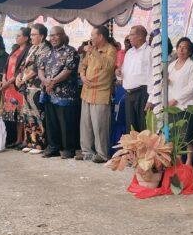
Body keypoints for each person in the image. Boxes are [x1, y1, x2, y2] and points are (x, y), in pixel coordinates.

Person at [39, 26, 80, 159]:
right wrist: (45, 81)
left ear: (63, 35)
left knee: (66, 122)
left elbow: (68, 70)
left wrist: (53, 82)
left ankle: (68, 149)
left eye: (56, 35)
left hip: (65, 94)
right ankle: (53, 147)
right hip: (49, 93)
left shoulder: (70, 51)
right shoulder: (46, 52)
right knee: (51, 122)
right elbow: (40, 69)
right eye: (51, 36)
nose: (53, 38)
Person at [79, 26, 117, 163]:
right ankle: (87, 152)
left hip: (101, 93)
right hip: (87, 92)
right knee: (86, 125)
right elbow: (83, 66)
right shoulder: (91, 50)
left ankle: (102, 154)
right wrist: (83, 76)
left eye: (92, 35)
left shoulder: (111, 50)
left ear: (100, 36)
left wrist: (93, 52)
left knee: (100, 125)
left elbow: (108, 66)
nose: (91, 38)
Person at [167, 37, 193, 166]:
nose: (181, 50)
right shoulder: (171, 65)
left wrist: (176, 99)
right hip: (173, 106)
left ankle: (189, 162)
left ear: (189, 52)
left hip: (189, 105)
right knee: (176, 134)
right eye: (179, 47)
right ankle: (178, 160)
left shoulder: (192, 66)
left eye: (185, 48)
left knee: (189, 135)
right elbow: (169, 84)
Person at [16, 24, 52, 155]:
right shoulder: (32, 48)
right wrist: (19, 76)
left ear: (41, 36)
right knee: (27, 114)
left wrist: (24, 78)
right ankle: (30, 141)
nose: (31, 37)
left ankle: (40, 143)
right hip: (26, 86)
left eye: (33, 35)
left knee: (37, 115)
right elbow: (23, 65)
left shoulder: (45, 49)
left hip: (37, 87)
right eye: (31, 34)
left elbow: (37, 68)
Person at [119, 25, 153, 132]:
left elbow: (153, 76)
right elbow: (123, 72)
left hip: (143, 94)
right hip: (129, 94)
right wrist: (118, 73)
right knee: (131, 128)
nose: (129, 37)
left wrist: (151, 99)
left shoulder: (150, 52)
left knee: (143, 128)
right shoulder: (129, 52)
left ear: (140, 36)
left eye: (132, 34)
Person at [1, 28, 31, 149]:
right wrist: (4, 78)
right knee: (12, 115)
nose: (16, 38)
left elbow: (21, 70)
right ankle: (16, 139)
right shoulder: (15, 49)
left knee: (20, 114)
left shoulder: (28, 50)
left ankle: (22, 139)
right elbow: (6, 66)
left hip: (17, 85)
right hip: (8, 86)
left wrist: (9, 82)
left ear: (26, 38)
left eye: (19, 36)